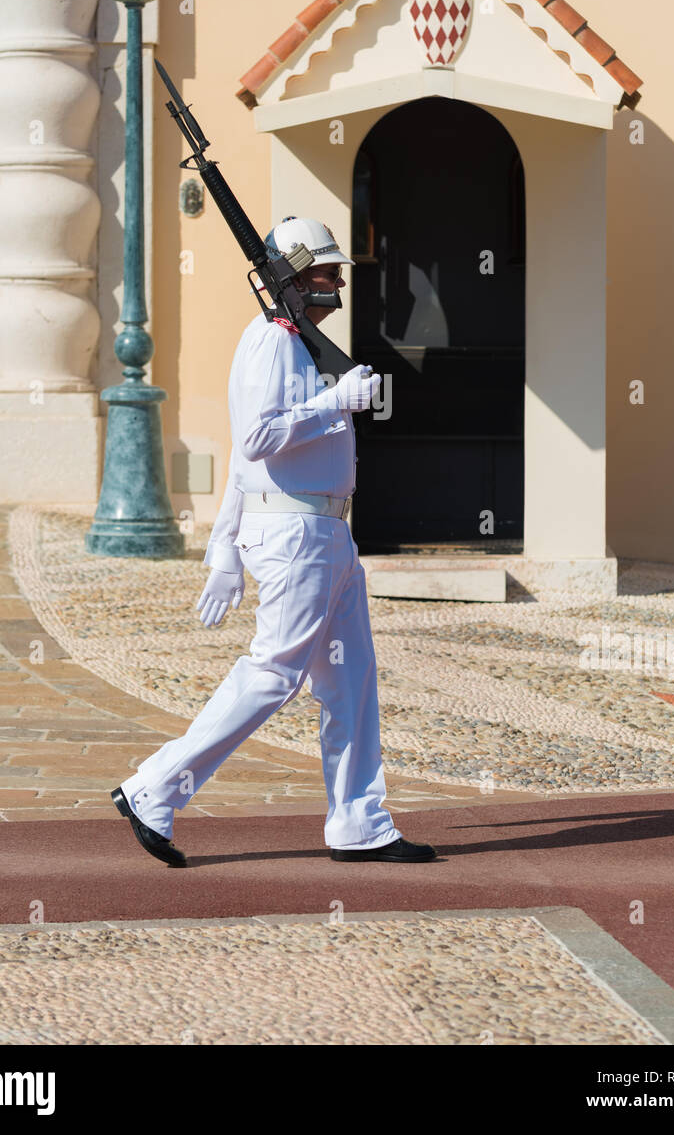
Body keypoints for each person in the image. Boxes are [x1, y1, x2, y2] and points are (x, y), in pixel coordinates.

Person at [111, 216, 437, 867]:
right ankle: (154, 788)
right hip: (296, 533)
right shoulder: (271, 342)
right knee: (272, 675)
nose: (338, 278)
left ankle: (359, 823)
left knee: (349, 684)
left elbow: (242, 457)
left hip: (325, 533)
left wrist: (225, 544)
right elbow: (258, 438)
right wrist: (335, 403)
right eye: (324, 269)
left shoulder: (298, 341)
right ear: (292, 277)